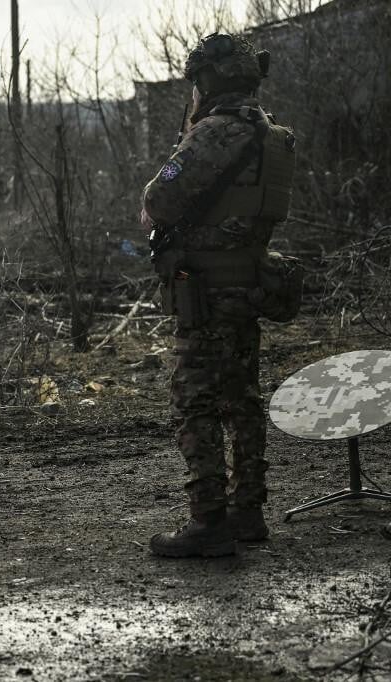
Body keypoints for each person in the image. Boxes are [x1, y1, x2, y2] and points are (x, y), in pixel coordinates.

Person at [140, 33, 297, 557]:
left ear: (208, 81)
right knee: (243, 397)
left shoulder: (213, 132)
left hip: (206, 290)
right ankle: (248, 510)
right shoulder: (272, 135)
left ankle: (209, 520)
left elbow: (159, 198)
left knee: (195, 401)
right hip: (248, 282)